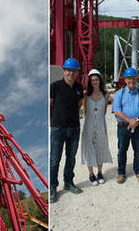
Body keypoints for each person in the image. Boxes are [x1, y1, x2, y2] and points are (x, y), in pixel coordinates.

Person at [50, 58, 84, 203]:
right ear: (64, 71)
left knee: (71, 158)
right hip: (58, 128)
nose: (71, 73)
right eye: (69, 70)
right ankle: (52, 187)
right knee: (54, 159)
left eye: (74, 70)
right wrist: (53, 121)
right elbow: (50, 105)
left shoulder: (79, 88)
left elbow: (79, 104)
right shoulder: (55, 86)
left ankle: (68, 183)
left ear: (77, 72)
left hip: (74, 128)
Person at [112, 67, 139, 184]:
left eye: (133, 78)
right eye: (129, 78)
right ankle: (121, 172)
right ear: (125, 80)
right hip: (123, 127)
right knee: (122, 150)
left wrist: (137, 121)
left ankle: (138, 171)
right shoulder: (119, 94)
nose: (131, 81)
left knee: (138, 150)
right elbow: (117, 111)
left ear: (136, 79)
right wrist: (130, 121)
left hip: (138, 127)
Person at [81, 69, 112, 186]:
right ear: (90, 81)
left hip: (100, 123)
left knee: (100, 146)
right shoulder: (86, 95)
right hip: (88, 124)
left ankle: (99, 172)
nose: (94, 82)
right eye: (92, 80)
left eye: (96, 79)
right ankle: (91, 174)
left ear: (100, 80)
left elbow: (103, 111)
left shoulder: (105, 94)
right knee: (89, 147)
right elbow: (85, 111)